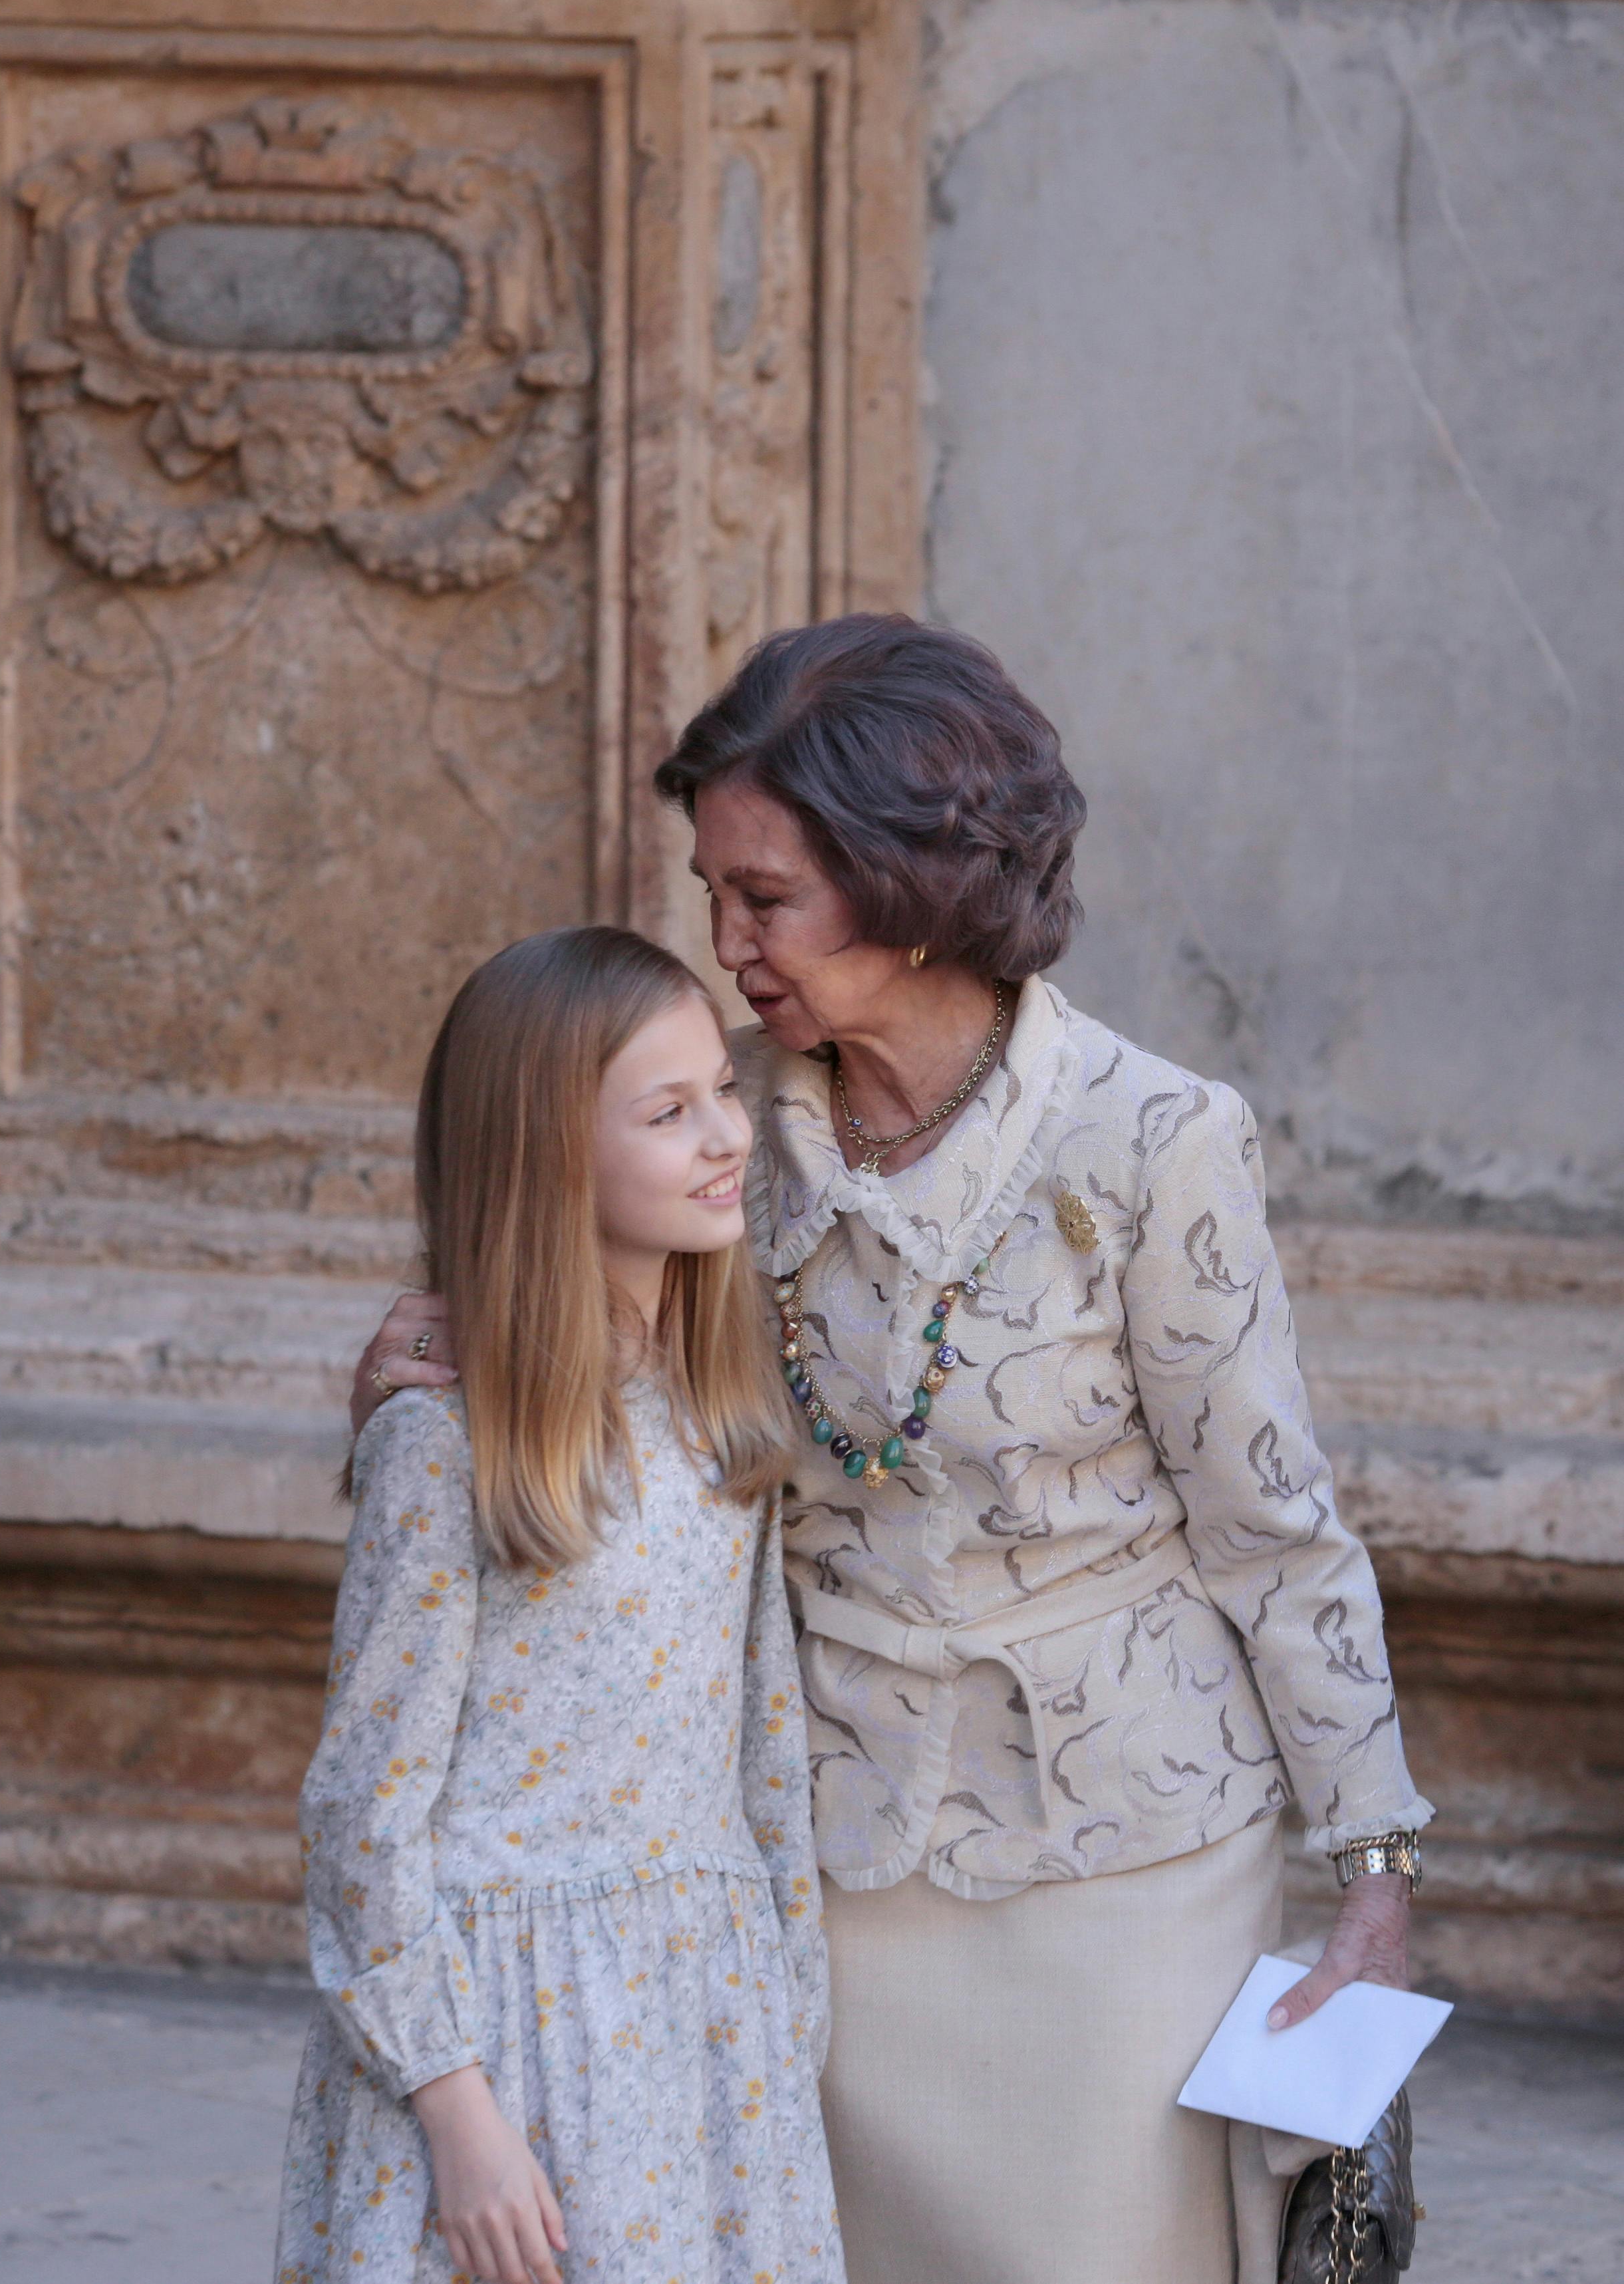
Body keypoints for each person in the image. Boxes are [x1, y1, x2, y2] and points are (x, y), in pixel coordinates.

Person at [354, 615, 1432, 2284]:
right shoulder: (724, 1129)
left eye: (764, 896)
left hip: (1122, 1862)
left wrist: (1372, 1877)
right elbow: (562, 1336)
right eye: (711, 889)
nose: (724, 940)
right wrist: (427, 1378)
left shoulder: (1154, 1139)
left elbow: (1274, 1531)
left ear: (912, 882)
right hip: (823, 1864)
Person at [280, 926, 843, 2284]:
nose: (725, 1137)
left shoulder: (722, 1421)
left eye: (724, 1087)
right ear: (545, 1154)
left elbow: (762, 1751)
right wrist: (456, 2111)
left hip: (698, 2023)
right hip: (499, 2044)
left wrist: (780, 2011)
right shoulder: (445, 1443)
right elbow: (364, 1809)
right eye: (668, 1111)